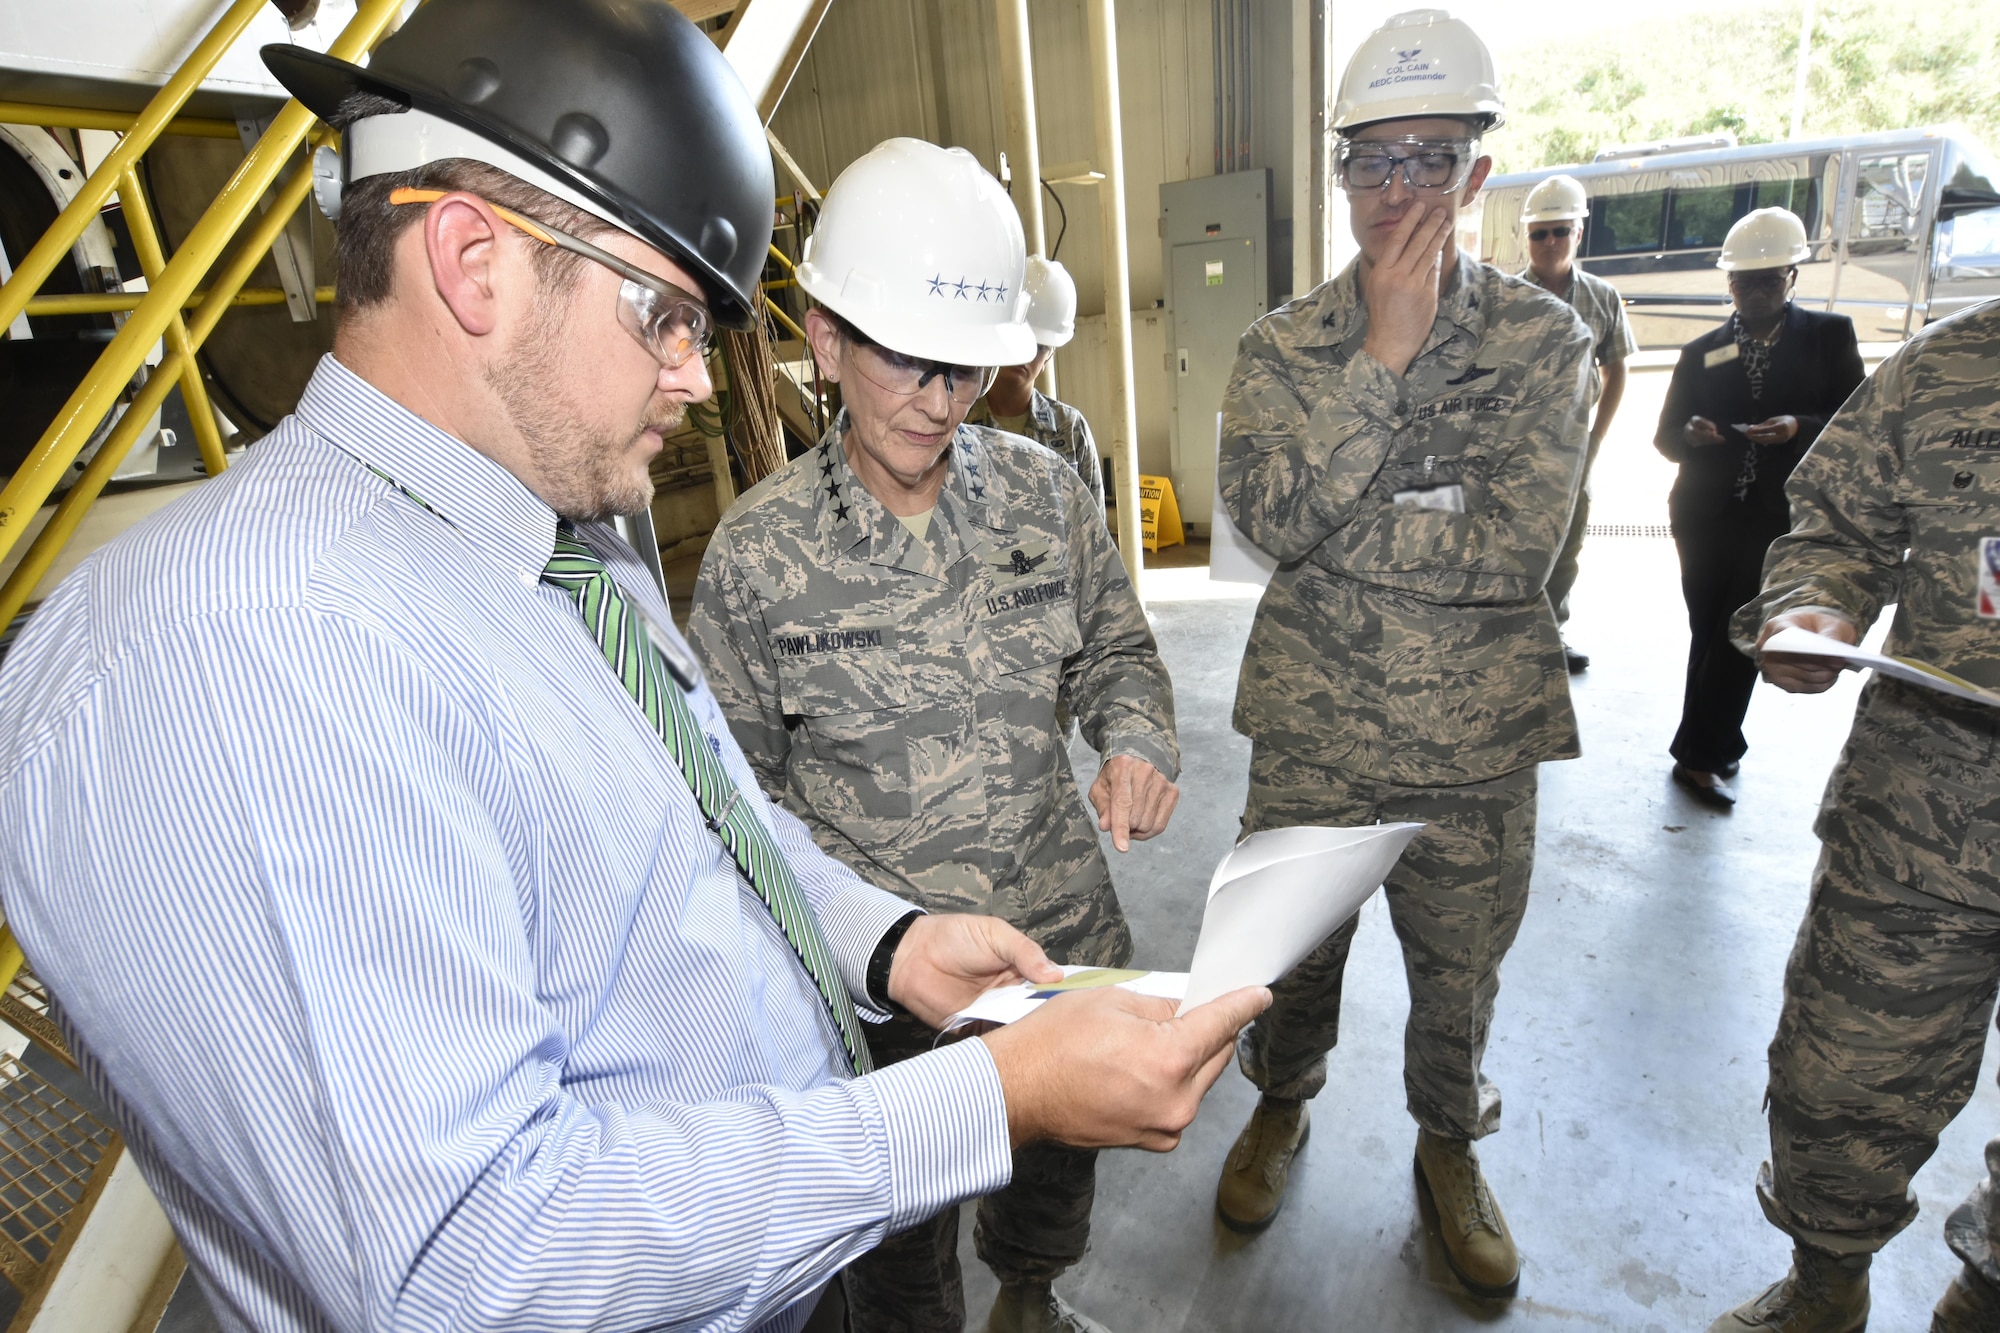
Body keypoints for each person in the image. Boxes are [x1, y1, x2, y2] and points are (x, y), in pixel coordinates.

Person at [0, 7, 1268, 1331]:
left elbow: (709, 824)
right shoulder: (238, 659)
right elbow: (471, 1268)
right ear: (474, 258)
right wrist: (986, 1099)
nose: (698, 379)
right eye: (666, 315)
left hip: (783, 1231)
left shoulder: (565, 537)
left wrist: (881, 941)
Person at [687, 137, 1179, 1333]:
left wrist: (1132, 736)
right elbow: (726, 807)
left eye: (963, 368)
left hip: (1056, 944)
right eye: (904, 360)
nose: (939, 401)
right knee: (900, 1248)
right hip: (884, 993)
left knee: (1054, 1175)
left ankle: (1032, 1296)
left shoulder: (1043, 495)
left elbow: (1118, 651)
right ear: (825, 341)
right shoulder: (756, 561)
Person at [1212, 8, 1594, 1300]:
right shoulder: (1280, 351)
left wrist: (1344, 528)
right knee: (1290, 955)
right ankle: (1280, 1103)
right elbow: (1263, 521)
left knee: (1459, 980)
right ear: (1340, 175)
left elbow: (1516, 552)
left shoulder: (1549, 348)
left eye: (1427, 158)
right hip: (1314, 742)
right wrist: (1376, 361)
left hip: (1472, 754)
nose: (1395, 190)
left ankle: (1447, 1149)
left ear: (1476, 173)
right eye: (1370, 160)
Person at [1706, 300, 2000, 1333]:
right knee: (1840, 1075)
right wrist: (1813, 606)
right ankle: (1824, 1281)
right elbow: (1833, 522)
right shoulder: (1951, 361)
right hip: (1922, 815)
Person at [1653, 206, 1864, 809]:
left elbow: (1856, 430)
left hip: (1780, 517)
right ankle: (1714, 743)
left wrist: (1799, 426)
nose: (1756, 291)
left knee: (1740, 629)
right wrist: (1691, 433)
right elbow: (1665, 438)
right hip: (1703, 513)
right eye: (1745, 281)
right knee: (1709, 629)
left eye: (1770, 279)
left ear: (1793, 278)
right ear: (1729, 284)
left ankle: (1700, 756)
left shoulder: (1829, 337)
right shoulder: (1703, 351)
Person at [1518, 173, 1637, 673]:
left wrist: (1595, 440)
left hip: (1573, 447)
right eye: (1539, 234)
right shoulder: (1507, 299)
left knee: (1566, 547)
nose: (1549, 243)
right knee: (1515, 543)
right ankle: (1511, 638)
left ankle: (1551, 634)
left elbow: (1617, 371)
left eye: (1559, 232)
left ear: (1578, 234)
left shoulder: (1601, 297)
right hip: (1517, 447)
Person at [966, 256, 1105, 516]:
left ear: (1049, 356)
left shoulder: (1070, 428)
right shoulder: (959, 420)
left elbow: (1092, 529)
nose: (1026, 354)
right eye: (1020, 341)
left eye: (1039, 347)